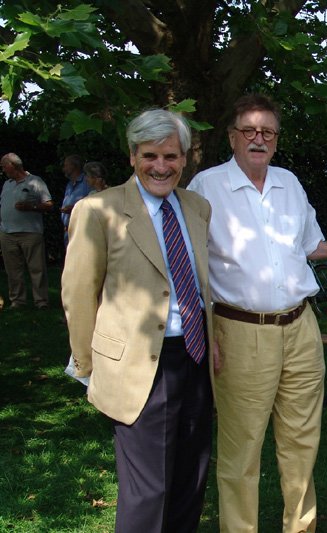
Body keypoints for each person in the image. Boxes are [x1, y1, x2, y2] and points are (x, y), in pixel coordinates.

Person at [187, 93, 327, 533]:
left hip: (301, 327)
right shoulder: (206, 187)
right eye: (249, 131)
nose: (259, 139)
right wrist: (205, 333)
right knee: (242, 448)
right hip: (240, 331)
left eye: (268, 133)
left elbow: (311, 247)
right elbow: (190, 267)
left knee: (302, 442)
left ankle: (301, 527)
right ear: (232, 137)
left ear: (276, 139)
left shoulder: (289, 183)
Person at [62, 109, 214, 533]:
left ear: (184, 158)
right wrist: (87, 367)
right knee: (148, 492)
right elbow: (78, 295)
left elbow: (200, 285)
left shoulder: (198, 207)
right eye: (150, 156)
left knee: (190, 480)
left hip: (194, 358)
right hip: (138, 365)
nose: (160, 166)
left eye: (170, 156)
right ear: (132, 156)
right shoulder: (98, 210)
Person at [0, 152, 54, 310]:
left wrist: (31, 207)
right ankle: (17, 301)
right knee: (13, 270)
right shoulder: (7, 184)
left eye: (4, 166)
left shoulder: (35, 181)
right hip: (7, 233)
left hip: (30, 232)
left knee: (37, 268)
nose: (3, 170)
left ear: (12, 166)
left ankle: (41, 301)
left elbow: (49, 204)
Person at [60, 154, 90, 242]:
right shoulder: (69, 184)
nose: (64, 169)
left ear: (73, 166)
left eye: (66, 165)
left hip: (82, 230)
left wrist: (74, 208)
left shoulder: (87, 181)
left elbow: (94, 202)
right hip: (68, 231)